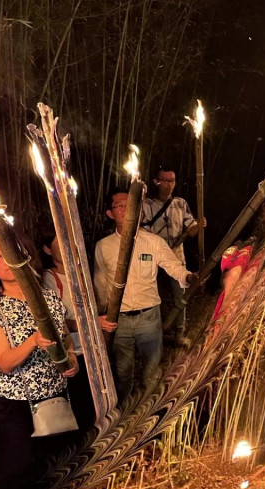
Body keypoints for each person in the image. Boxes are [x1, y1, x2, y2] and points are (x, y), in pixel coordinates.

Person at [0, 235, 79, 489]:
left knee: (54, 471)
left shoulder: (50, 300)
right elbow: (5, 362)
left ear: (28, 256)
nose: (5, 260)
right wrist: (32, 340)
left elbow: (66, 342)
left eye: (13, 251)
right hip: (11, 408)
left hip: (53, 399)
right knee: (18, 479)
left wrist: (72, 361)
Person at [95, 189, 199, 401]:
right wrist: (101, 315)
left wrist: (188, 277)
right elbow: (100, 284)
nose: (126, 209)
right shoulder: (103, 246)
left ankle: (149, 410)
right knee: (123, 373)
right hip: (119, 319)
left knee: (151, 373)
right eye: (120, 205)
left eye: (130, 204)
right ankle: (122, 412)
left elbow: (173, 265)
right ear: (110, 213)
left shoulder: (152, 242)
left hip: (149, 318)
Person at [140, 167, 205, 346]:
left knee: (180, 295)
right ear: (156, 181)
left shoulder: (180, 204)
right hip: (152, 258)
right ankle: (152, 334)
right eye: (166, 180)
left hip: (176, 257)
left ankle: (179, 333)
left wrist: (198, 226)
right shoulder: (146, 205)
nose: (170, 185)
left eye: (173, 181)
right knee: (151, 296)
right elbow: (142, 232)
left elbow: (190, 230)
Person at [41, 228, 95, 430]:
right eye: (59, 244)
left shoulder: (82, 273)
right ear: (47, 250)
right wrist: (92, 323)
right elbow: (58, 320)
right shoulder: (49, 278)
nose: (67, 248)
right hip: (73, 349)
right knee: (79, 398)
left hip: (92, 346)